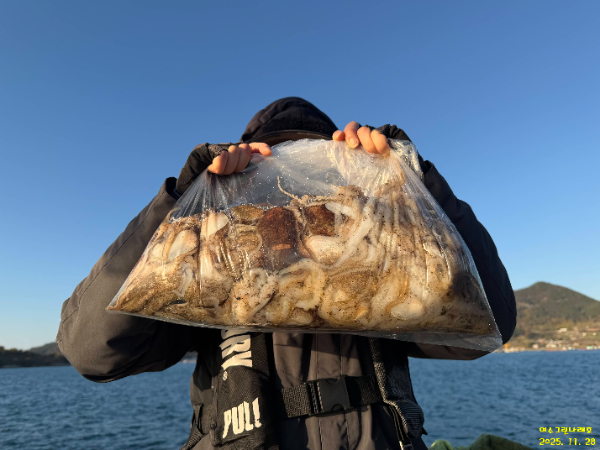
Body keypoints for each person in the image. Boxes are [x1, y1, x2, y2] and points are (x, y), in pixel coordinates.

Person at [57, 97, 516, 450]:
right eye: (274, 163)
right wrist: (178, 204)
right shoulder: (206, 269)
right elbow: (91, 349)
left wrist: (415, 180)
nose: (290, 182)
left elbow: (488, 321)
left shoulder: (384, 260)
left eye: (309, 161)